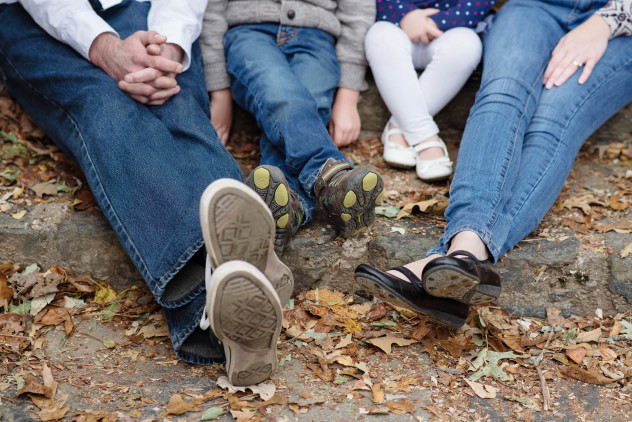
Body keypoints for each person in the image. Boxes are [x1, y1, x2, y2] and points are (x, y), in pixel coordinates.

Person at [0, 0, 292, 386]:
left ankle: (224, 307)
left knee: (179, 105)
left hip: (145, 10)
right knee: (104, 106)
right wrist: (104, 46)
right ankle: (227, 290)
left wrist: (168, 50)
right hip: (34, 17)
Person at [355, 0, 632, 327]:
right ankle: (465, 255)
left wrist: (607, 21)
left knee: (552, 123)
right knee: (502, 95)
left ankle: (447, 257)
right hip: (534, 6)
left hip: (621, 27)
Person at [200, 0, 385, 254]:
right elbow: (210, 8)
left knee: (313, 103)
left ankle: (290, 208)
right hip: (249, 33)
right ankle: (331, 176)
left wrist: (349, 93)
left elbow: (358, 9)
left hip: (317, 38)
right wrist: (219, 91)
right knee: (282, 96)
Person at [364, 0, 494, 181]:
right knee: (379, 36)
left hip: (449, 31)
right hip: (394, 26)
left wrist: (435, 22)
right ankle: (426, 138)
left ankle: (399, 127)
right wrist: (406, 15)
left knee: (468, 44)